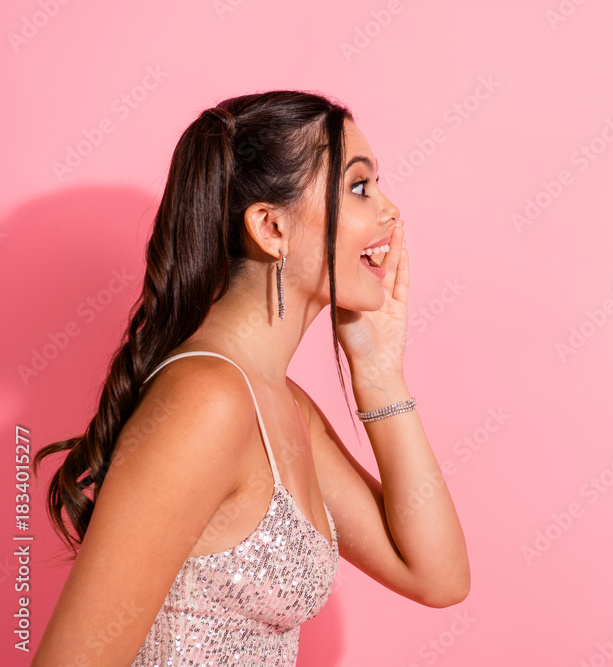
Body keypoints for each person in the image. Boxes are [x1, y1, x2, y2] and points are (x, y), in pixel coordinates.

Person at [30, 90, 470, 666]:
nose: (391, 212)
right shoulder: (207, 401)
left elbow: (438, 576)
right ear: (271, 227)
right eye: (360, 188)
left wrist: (380, 372)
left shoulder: (284, 408)